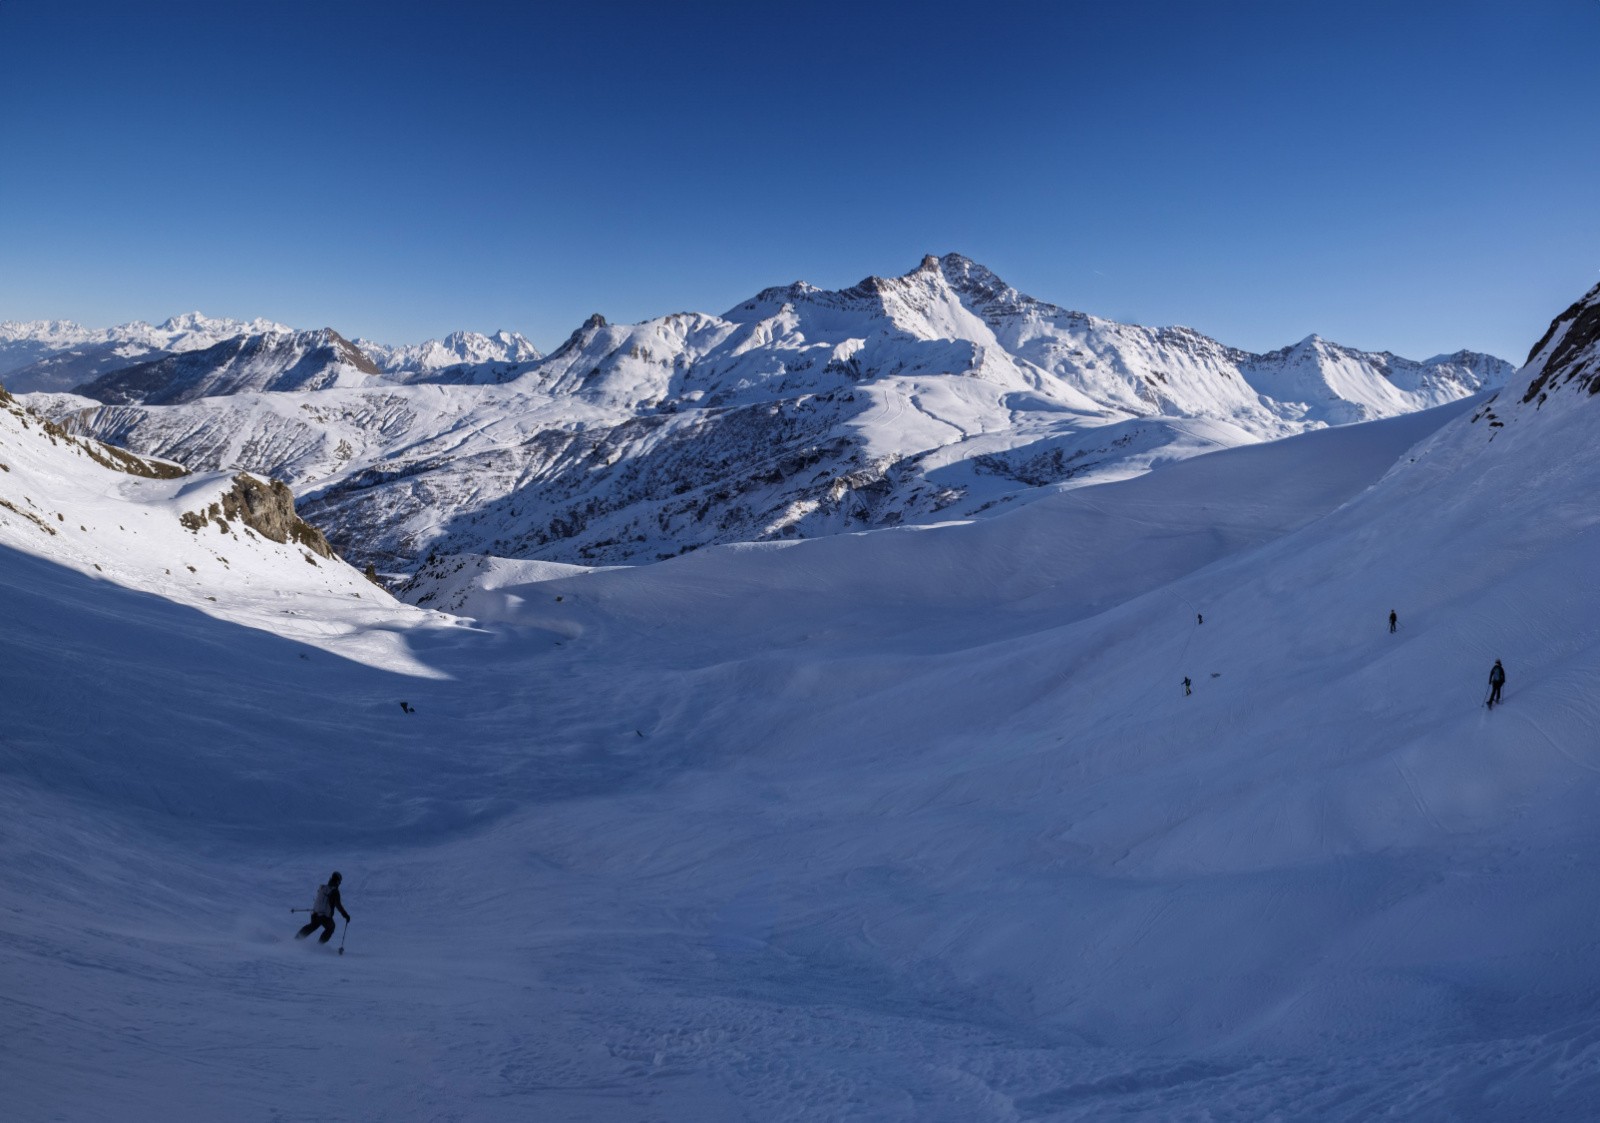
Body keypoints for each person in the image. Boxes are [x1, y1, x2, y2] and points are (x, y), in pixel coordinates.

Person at [296, 871, 351, 943]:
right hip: (324, 916)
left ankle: (297, 939)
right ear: (337, 881)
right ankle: (319, 946)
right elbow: (338, 905)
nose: (340, 883)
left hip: (314, 913)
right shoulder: (335, 891)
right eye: (340, 882)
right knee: (331, 927)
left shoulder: (323, 887)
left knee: (312, 926)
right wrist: (345, 915)